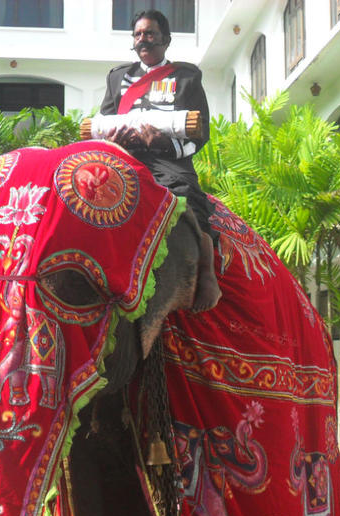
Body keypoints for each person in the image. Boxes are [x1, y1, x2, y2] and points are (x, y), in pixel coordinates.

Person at [100, 8, 221, 312]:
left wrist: (165, 143)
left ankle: (208, 274)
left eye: (150, 33)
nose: (144, 39)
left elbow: (200, 131)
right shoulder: (118, 78)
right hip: (125, 157)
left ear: (166, 39)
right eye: (138, 34)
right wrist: (111, 139)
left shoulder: (186, 76)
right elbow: (104, 122)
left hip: (169, 160)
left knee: (189, 200)